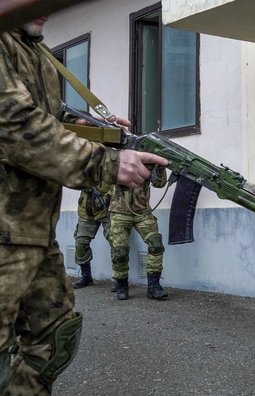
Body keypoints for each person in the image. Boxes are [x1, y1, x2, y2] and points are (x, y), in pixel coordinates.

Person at [0, 17, 168, 395]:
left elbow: (46, 117)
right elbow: (12, 125)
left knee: (56, 339)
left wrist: (88, 126)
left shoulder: (38, 54)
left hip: (35, 232)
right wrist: (106, 164)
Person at [108, 165, 169, 301]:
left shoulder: (147, 160)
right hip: (119, 212)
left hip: (142, 211)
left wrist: (159, 166)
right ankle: (121, 285)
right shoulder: (117, 156)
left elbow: (159, 183)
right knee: (120, 251)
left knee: (156, 244)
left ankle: (154, 286)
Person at [71, 182, 113, 289]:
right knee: (80, 245)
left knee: (116, 242)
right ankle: (86, 277)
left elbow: (121, 181)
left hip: (108, 209)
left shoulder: (112, 164)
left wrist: (108, 195)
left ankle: (120, 280)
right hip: (86, 209)